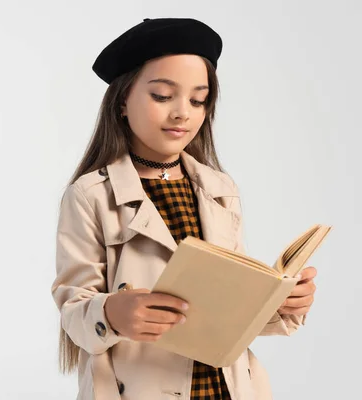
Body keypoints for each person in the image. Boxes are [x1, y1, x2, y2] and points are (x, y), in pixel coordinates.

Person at [51, 17, 318, 399]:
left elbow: (227, 309)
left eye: (198, 99)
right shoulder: (90, 194)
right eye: (162, 96)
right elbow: (73, 309)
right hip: (138, 385)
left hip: (228, 387)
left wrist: (282, 302)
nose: (183, 113)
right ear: (123, 101)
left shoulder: (219, 188)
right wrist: (110, 314)